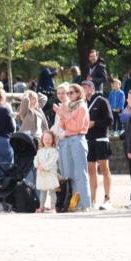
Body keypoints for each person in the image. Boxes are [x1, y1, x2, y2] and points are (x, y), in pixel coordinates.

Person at [54, 83, 91, 211]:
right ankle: (73, 203)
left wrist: (65, 115)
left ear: (78, 93)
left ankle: (85, 204)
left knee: (81, 173)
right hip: (67, 140)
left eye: (71, 93)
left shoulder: (82, 107)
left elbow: (76, 127)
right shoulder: (70, 107)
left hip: (77, 139)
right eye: (67, 93)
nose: (68, 95)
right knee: (69, 174)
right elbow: (64, 126)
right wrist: (62, 115)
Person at [82, 80, 113, 209]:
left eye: (86, 87)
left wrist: (94, 123)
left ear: (92, 88)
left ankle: (107, 199)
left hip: (101, 139)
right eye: (82, 87)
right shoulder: (83, 103)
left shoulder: (102, 101)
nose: (84, 89)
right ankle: (93, 200)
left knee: (105, 169)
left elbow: (110, 120)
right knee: (91, 170)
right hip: (88, 140)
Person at [34, 130, 60, 213]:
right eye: (45, 138)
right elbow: (36, 159)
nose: (47, 140)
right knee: (43, 191)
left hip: (50, 174)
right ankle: (41, 207)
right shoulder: (39, 151)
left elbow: (52, 161)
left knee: (52, 191)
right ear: (42, 140)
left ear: (52, 140)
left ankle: (53, 207)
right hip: (41, 174)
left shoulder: (54, 151)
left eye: (49, 139)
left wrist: (44, 167)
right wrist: (38, 165)